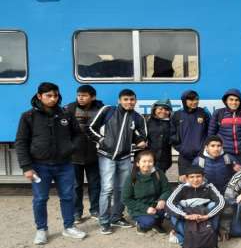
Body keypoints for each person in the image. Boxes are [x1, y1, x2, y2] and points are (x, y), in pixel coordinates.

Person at [15, 82, 86, 244]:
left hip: (65, 164)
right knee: (40, 198)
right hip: (39, 166)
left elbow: (78, 134)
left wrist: (71, 148)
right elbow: (21, 142)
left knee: (68, 196)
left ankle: (69, 227)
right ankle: (41, 230)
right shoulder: (28, 116)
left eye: (55, 96)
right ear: (39, 96)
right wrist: (26, 167)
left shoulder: (66, 115)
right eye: (49, 96)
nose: (53, 99)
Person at [88, 88, 147, 234]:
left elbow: (142, 137)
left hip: (126, 157)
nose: (129, 102)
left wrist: (139, 142)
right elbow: (90, 128)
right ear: (119, 100)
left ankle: (117, 217)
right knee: (107, 189)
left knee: (123, 189)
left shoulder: (138, 118)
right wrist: (102, 141)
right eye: (126, 99)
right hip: (106, 156)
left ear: (135, 101)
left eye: (132, 99)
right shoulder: (108, 111)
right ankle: (104, 221)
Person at [64, 84, 104, 222]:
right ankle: (76, 213)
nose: (80, 98)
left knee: (95, 184)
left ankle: (95, 210)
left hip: (94, 155)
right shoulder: (69, 109)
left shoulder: (101, 110)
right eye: (79, 95)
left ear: (92, 97)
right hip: (74, 155)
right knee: (75, 185)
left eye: (84, 95)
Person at [166, 166, 225, 248]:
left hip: (203, 217)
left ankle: (207, 234)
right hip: (187, 217)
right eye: (192, 177)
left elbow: (221, 202)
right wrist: (185, 215)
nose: (195, 180)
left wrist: (207, 216)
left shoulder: (209, 187)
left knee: (212, 205)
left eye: (198, 176)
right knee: (174, 208)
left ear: (203, 177)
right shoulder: (182, 188)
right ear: (186, 178)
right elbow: (169, 203)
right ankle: (186, 238)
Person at [122, 150, 172, 234]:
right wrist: (146, 209)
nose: (147, 164)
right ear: (138, 163)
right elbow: (126, 199)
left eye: (150, 161)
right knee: (149, 221)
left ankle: (157, 224)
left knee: (170, 212)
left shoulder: (158, 173)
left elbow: (167, 189)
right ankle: (141, 225)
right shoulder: (132, 177)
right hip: (139, 208)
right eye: (144, 161)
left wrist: (162, 200)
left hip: (156, 205)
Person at [170, 90, 210, 180]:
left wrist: (204, 149)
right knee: (185, 182)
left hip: (201, 155)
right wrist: (182, 148)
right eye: (191, 100)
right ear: (184, 101)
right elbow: (172, 134)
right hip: (184, 156)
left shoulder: (203, 113)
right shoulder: (177, 115)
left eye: (196, 99)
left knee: (201, 181)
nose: (195, 102)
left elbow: (210, 132)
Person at [208, 88, 241, 162]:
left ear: (240, 102)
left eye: (237, 100)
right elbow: (211, 135)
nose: (234, 102)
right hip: (225, 154)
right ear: (226, 101)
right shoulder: (219, 113)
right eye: (231, 99)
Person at [147, 99, 173, 173]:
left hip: (164, 160)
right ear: (154, 109)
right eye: (160, 109)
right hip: (148, 159)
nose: (163, 111)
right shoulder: (147, 121)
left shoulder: (172, 124)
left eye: (166, 109)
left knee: (160, 181)